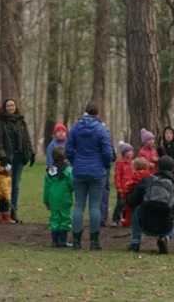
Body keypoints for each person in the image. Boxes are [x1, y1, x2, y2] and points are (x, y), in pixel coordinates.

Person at [65, 100, 114, 251]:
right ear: (98, 112)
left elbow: (68, 149)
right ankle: (94, 242)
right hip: (97, 171)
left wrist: (75, 162)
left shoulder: (75, 127)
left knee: (79, 205)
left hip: (79, 170)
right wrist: (106, 165)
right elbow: (107, 152)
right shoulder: (101, 129)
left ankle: (77, 241)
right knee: (95, 206)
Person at [126, 156, 174, 255]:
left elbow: (131, 201)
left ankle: (135, 242)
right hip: (166, 227)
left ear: (157, 167)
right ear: (172, 169)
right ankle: (165, 238)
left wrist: (128, 192)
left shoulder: (147, 180)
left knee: (136, 208)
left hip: (144, 224)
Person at [0, 98, 35, 223]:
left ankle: (13, 211)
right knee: (5, 186)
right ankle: (3, 211)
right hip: (7, 159)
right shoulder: (1, 123)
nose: (11, 108)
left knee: (16, 185)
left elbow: (27, 139)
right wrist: (3, 157)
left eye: (12, 105)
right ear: (5, 108)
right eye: (8, 106)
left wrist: (32, 152)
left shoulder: (21, 122)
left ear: (15, 107)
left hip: (19, 158)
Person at [44, 146, 74, 248]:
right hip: (65, 200)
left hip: (53, 201)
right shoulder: (68, 170)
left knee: (54, 219)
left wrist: (46, 201)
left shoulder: (49, 172)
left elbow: (46, 188)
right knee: (65, 219)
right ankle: (63, 241)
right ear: (65, 157)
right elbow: (72, 184)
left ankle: (54, 241)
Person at [123, 157, 153, 242]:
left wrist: (126, 198)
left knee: (135, 221)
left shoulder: (134, 177)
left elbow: (127, 189)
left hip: (136, 202)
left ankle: (135, 240)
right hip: (148, 203)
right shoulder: (150, 177)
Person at [112, 142, 134, 227]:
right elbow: (117, 176)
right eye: (128, 151)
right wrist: (119, 187)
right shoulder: (120, 163)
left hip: (130, 188)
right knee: (120, 204)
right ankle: (115, 219)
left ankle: (126, 219)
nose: (131, 152)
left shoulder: (132, 163)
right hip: (122, 188)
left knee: (128, 204)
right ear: (124, 153)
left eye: (131, 150)